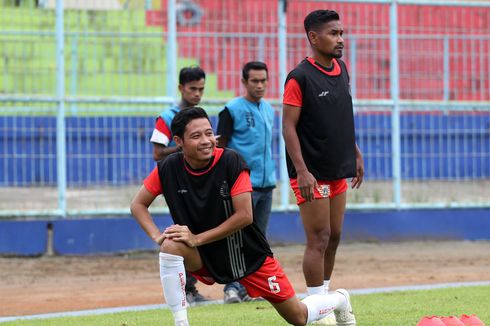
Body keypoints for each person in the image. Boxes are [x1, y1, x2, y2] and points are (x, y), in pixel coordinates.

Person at [130, 107, 356, 326]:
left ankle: (340, 299)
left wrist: (197, 238)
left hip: (247, 256)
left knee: (297, 317)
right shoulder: (168, 168)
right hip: (204, 255)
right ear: (178, 142)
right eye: (196, 136)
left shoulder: (231, 162)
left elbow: (245, 216)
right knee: (170, 244)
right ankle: (181, 323)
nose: (206, 141)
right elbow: (138, 204)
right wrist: (158, 236)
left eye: (209, 133)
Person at [282, 9, 364, 324]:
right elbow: (288, 126)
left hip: (337, 168)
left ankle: (326, 301)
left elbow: (341, 116)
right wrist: (302, 170)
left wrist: (355, 152)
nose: (340, 39)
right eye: (334, 33)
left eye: (341, 33)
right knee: (319, 236)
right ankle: (317, 304)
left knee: (336, 235)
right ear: (314, 37)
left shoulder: (342, 69)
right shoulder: (299, 76)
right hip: (311, 173)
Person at [217, 61, 276, 304]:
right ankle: (232, 288)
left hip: (266, 184)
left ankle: (251, 288)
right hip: (242, 185)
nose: (260, 85)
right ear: (244, 82)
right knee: (237, 237)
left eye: (263, 80)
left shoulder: (269, 109)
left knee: (259, 238)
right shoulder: (231, 110)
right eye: (255, 81)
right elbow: (220, 148)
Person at [150, 66, 208, 305]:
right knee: (182, 233)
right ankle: (186, 289)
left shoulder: (200, 116)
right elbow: (157, 153)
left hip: (199, 180)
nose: (197, 94)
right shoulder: (166, 117)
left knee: (195, 232)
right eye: (192, 89)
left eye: (201, 89)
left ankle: (190, 287)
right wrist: (184, 147)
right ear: (181, 88)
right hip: (175, 181)